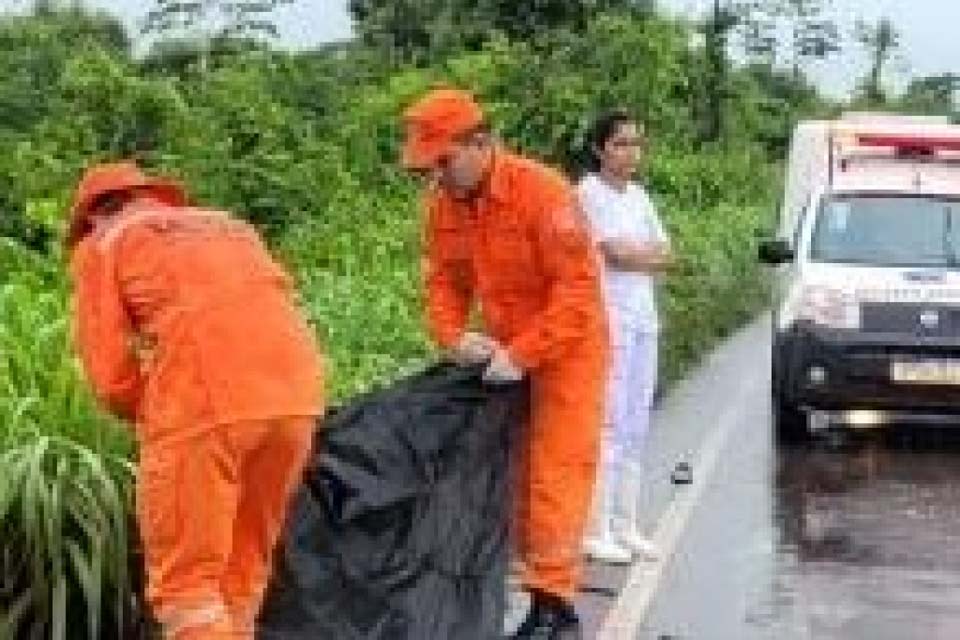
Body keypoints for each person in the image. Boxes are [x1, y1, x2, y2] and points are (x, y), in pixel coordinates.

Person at [66, 162, 324, 640]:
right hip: (296, 398)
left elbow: (111, 374)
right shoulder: (229, 227)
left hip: (207, 406)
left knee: (186, 593)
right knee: (242, 572)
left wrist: (153, 413)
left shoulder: (105, 243)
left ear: (94, 216)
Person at [401, 88, 609, 638]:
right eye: (429, 167)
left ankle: (555, 607)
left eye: (444, 162)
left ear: (481, 144)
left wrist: (524, 353)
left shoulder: (543, 194)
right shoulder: (445, 207)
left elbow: (577, 294)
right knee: (513, 474)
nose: (437, 177)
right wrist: (453, 337)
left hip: (568, 353)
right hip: (504, 352)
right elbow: (444, 282)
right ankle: (532, 591)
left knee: (555, 474)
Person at [577, 110, 672, 565]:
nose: (631, 153)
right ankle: (594, 529)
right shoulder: (588, 194)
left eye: (636, 144)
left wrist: (641, 255)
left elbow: (665, 253)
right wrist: (640, 254)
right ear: (600, 149)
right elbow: (614, 255)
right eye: (620, 144)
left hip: (642, 318)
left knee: (636, 422)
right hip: (609, 319)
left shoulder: (640, 197)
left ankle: (625, 524)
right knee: (608, 423)